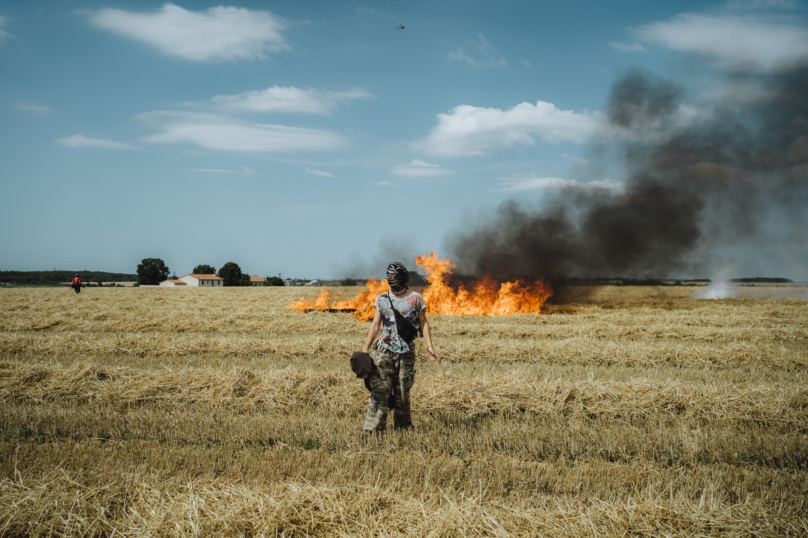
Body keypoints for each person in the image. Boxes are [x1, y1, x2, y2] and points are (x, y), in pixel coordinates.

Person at [362, 262, 437, 434]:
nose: (392, 282)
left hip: (407, 352)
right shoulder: (381, 299)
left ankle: (403, 428)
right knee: (380, 389)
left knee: (403, 390)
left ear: (403, 278)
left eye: (394, 278)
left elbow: (423, 323)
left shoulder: (416, 298)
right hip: (384, 351)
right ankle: (373, 429)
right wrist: (366, 349)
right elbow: (375, 325)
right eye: (389, 278)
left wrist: (429, 346)